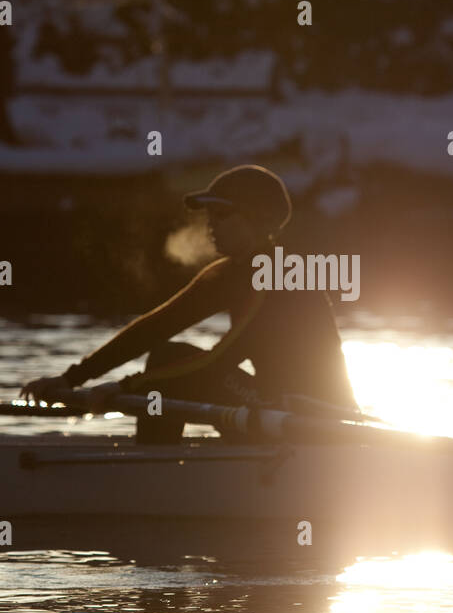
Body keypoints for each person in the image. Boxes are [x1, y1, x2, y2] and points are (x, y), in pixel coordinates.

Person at [21, 165, 357, 443]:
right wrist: (73, 379)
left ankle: (152, 474)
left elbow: (220, 360)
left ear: (256, 218)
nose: (211, 223)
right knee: (167, 353)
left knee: (176, 361)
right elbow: (155, 327)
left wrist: (125, 387)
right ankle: (152, 467)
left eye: (222, 213)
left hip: (316, 422)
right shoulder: (228, 273)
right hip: (272, 409)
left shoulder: (278, 275)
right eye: (210, 213)